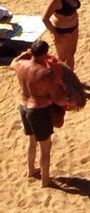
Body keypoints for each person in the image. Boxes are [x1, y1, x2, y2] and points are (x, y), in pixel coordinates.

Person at [15, 39, 60, 187]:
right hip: (38, 111)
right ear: (45, 54)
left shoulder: (20, 65)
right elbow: (56, 98)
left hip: (23, 107)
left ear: (31, 52)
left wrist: (23, 55)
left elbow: (12, 62)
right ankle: (45, 180)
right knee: (45, 147)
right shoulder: (45, 73)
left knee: (31, 140)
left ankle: (31, 170)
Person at [42, 0, 81, 70]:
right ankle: (59, 81)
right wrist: (56, 34)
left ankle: (71, 79)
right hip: (62, 30)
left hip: (74, 27)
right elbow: (45, 18)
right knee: (62, 58)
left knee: (71, 54)